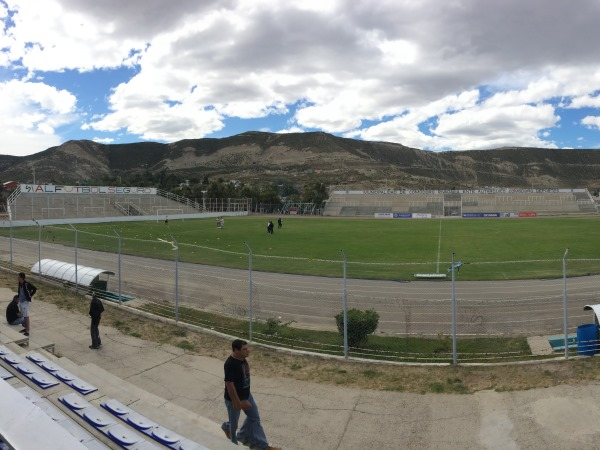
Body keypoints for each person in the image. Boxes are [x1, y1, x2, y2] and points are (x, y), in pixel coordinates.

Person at [221, 339, 280, 450]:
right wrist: (238, 403)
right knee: (234, 427)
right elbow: (229, 384)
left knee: (254, 418)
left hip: (247, 396)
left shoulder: (242, 359)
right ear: (236, 350)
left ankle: (262, 446)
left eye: (247, 348)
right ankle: (233, 444)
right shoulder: (230, 364)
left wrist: (245, 398)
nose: (248, 351)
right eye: (244, 349)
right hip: (234, 399)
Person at [17, 272, 36, 336]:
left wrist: (30, 296)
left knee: (26, 316)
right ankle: (25, 328)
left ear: (22, 278)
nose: (17, 278)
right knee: (24, 316)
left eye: (18, 277)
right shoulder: (20, 284)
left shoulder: (26, 284)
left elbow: (34, 289)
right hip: (21, 302)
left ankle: (27, 330)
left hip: (25, 302)